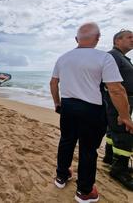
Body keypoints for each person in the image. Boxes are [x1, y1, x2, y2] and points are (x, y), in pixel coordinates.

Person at [50, 23, 133, 203]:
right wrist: (125, 116)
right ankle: (85, 191)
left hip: (68, 107)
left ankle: (61, 177)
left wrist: (57, 103)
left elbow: (53, 83)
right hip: (92, 109)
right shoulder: (103, 57)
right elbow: (116, 90)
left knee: (66, 141)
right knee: (88, 149)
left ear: (76, 39)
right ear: (97, 38)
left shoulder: (63, 58)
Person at [102, 29, 133, 190]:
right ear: (117, 41)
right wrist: (124, 113)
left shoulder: (121, 57)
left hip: (121, 99)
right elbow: (112, 85)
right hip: (118, 100)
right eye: (129, 37)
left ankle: (109, 158)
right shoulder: (113, 56)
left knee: (113, 130)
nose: (132, 40)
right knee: (124, 133)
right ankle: (119, 169)